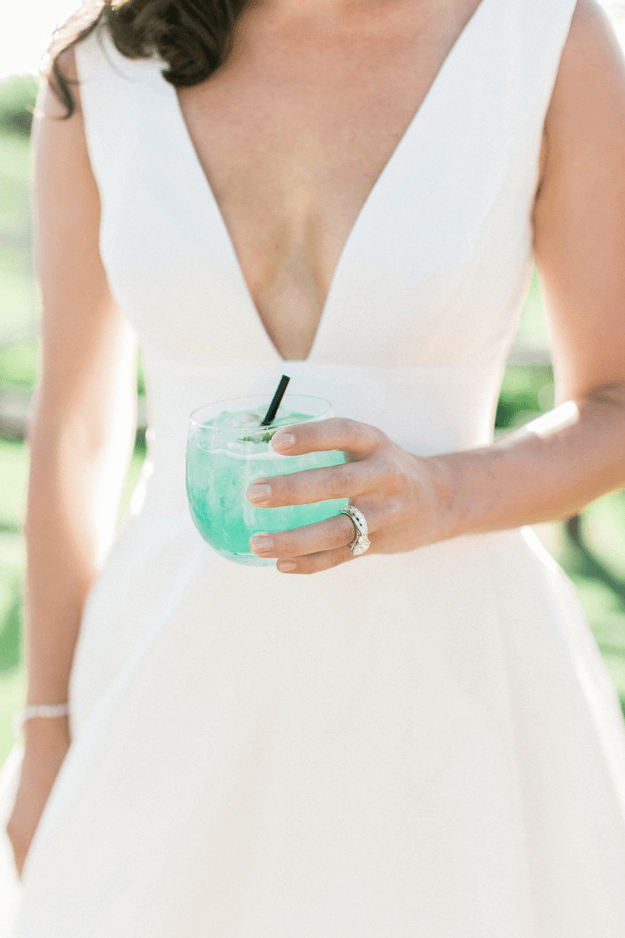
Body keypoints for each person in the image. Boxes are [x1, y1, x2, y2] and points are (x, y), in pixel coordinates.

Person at [1, 0, 625, 932]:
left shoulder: (541, 37)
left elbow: (614, 403)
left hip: (457, 703)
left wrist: (446, 491)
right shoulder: (99, 67)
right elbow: (78, 430)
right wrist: (45, 728)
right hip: (162, 685)